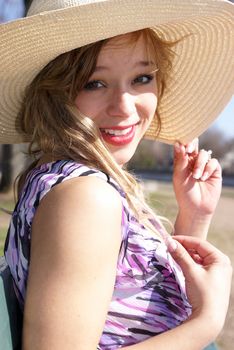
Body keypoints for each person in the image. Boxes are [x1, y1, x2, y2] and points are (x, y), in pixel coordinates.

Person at [0, 0, 233, 349]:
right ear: (52, 94)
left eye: (142, 78)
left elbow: (129, 303)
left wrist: (193, 216)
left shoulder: (66, 181)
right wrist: (206, 323)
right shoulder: (85, 197)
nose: (124, 106)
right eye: (94, 83)